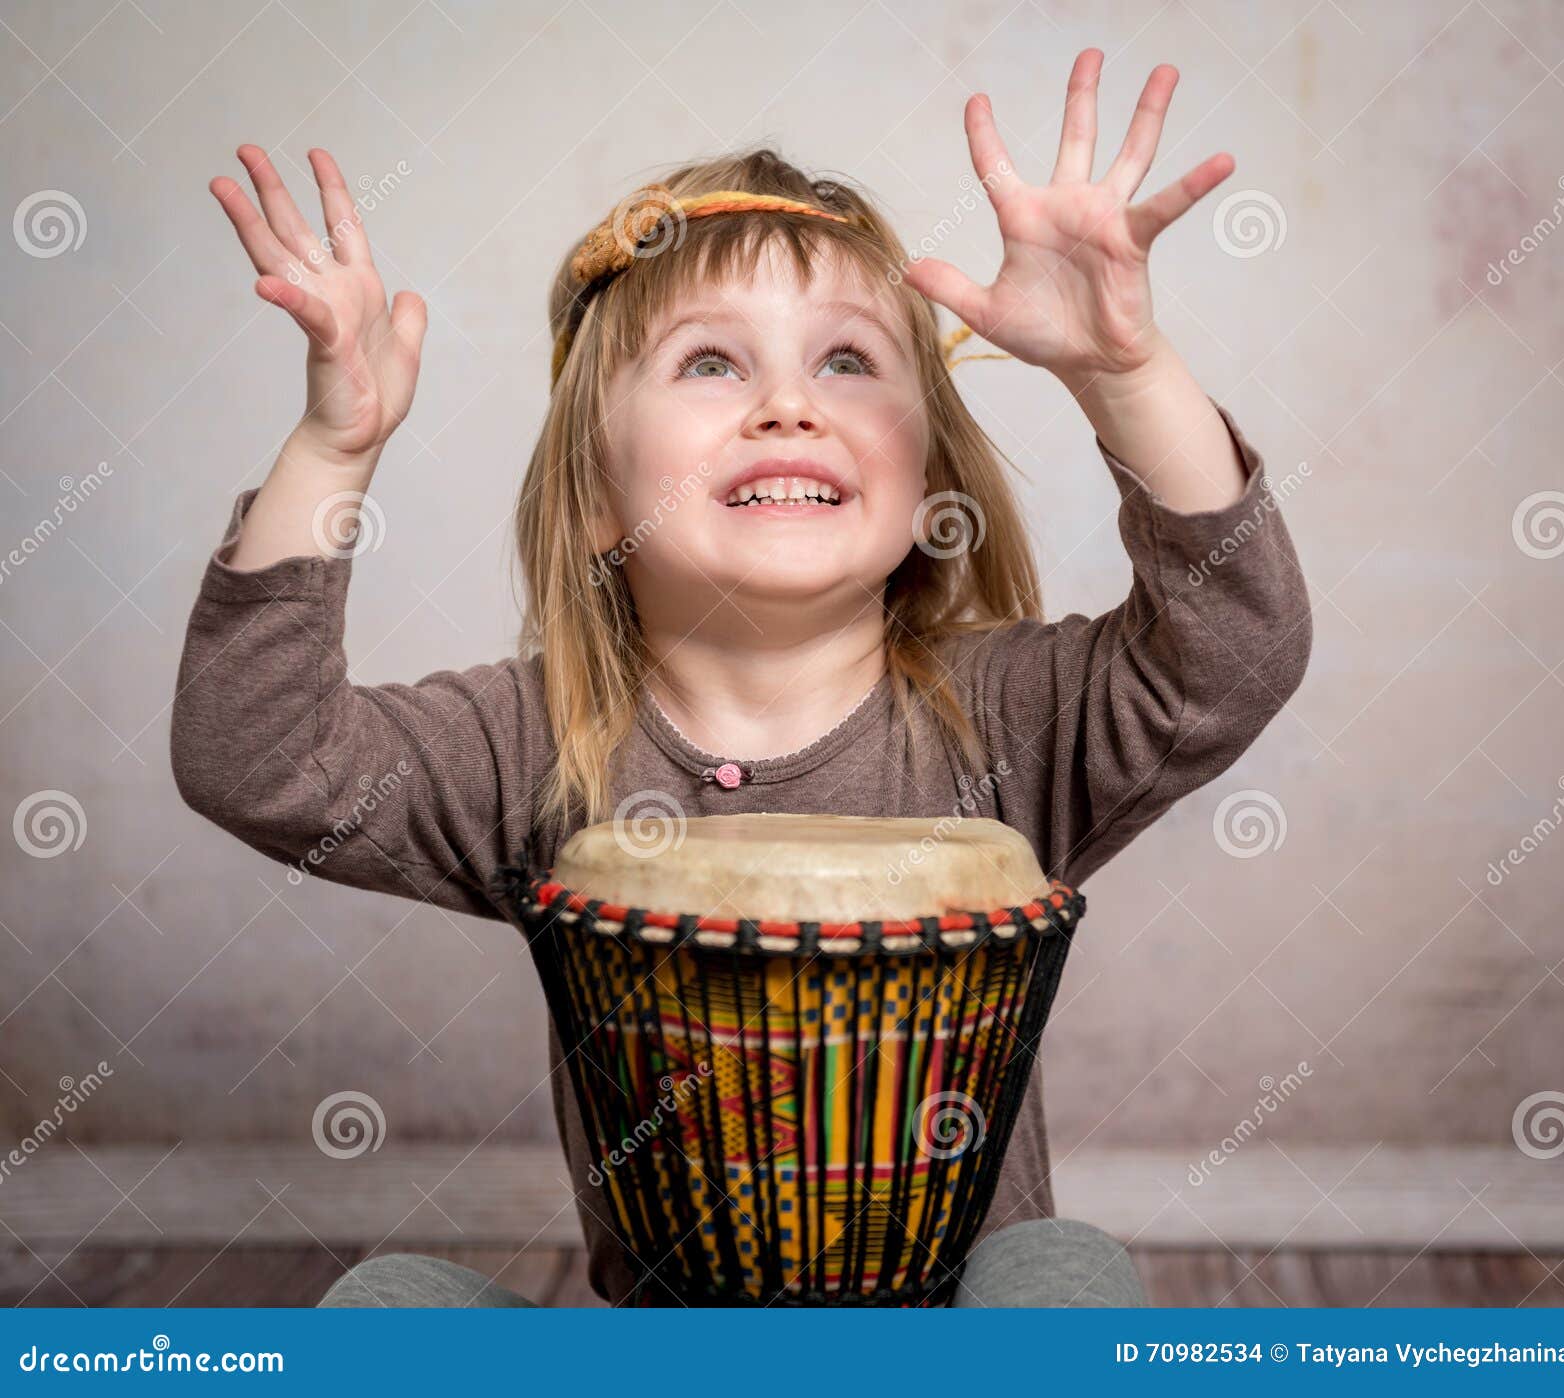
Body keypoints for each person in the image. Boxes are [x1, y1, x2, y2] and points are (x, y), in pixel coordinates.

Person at [172, 48, 1311, 1308]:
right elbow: (257, 758)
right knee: (391, 1307)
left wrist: (1124, 377)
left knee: (1061, 1276)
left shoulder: (1007, 719)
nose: (785, 404)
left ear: (931, 485)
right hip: (668, 1347)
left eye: (846, 362)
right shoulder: (535, 744)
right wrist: (333, 452)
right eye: (711, 363)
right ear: (598, 499)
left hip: (951, 1345)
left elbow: (1235, 648)